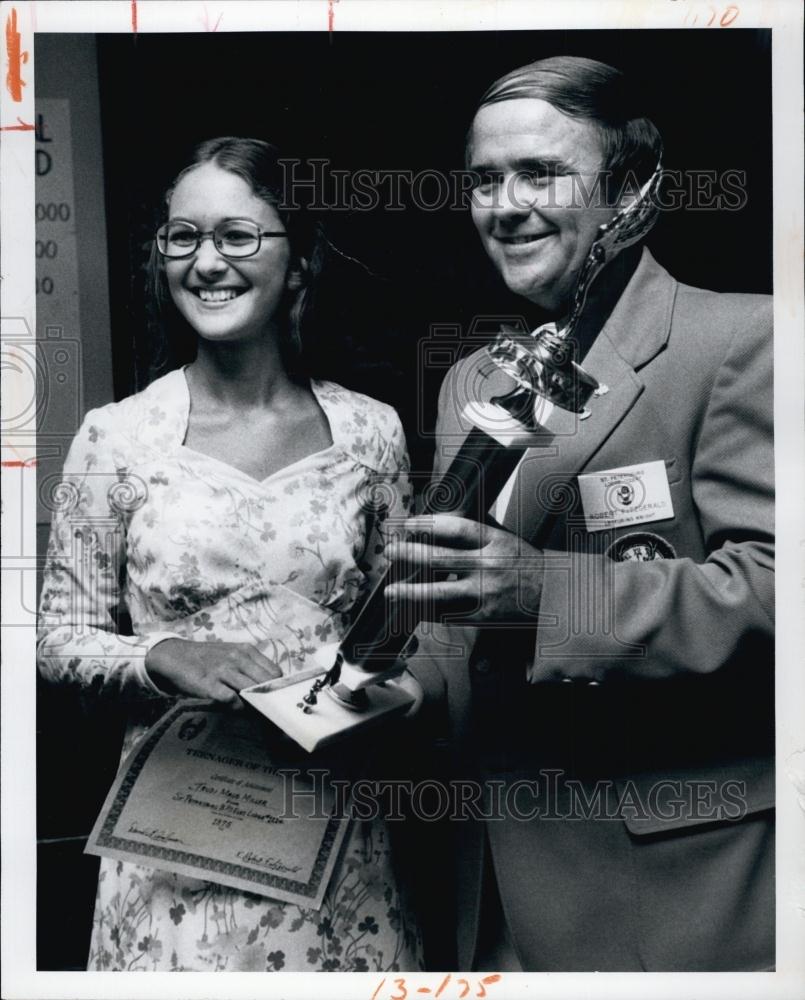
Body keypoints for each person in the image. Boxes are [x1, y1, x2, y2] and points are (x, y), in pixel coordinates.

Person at [391, 57, 774, 971]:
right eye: (485, 179)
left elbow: (774, 590)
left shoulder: (742, 339)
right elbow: (454, 617)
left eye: (540, 173)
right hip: (493, 887)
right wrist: (393, 689)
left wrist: (540, 590)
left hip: (675, 885)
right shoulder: (472, 383)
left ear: (629, 187)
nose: (506, 204)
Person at [37, 137, 423, 972]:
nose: (206, 261)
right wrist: (163, 654)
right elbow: (56, 638)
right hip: (168, 864)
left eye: (238, 236)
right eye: (183, 238)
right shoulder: (114, 437)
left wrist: (379, 695)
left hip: (330, 850)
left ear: (300, 262)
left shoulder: (371, 432)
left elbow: (404, 629)